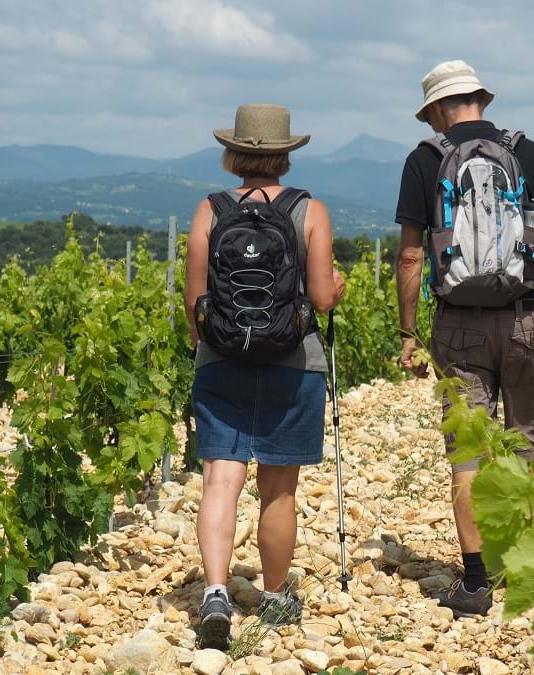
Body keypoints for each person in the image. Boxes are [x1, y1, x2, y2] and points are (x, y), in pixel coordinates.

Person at [395, 60, 534, 616]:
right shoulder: (528, 153)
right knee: (528, 441)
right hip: (527, 316)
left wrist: (408, 333)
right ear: (479, 100)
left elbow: (410, 254)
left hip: (458, 324)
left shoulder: (425, 160)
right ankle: (533, 565)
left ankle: (475, 583)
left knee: (468, 453)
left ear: (437, 111)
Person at [183, 103, 345, 649]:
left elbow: (195, 301)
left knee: (220, 481)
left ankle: (215, 595)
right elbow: (321, 299)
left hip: (221, 359)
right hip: (293, 365)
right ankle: (275, 598)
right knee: (279, 489)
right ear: (285, 154)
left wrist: (207, 347)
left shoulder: (209, 211)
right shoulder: (310, 210)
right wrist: (336, 290)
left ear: (234, 152)